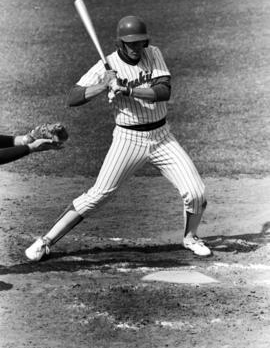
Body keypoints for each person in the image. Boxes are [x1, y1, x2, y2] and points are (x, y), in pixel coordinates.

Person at [25, 15, 211, 262]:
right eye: (131, 43)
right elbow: (73, 97)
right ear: (120, 43)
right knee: (98, 195)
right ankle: (45, 241)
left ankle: (190, 238)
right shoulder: (107, 65)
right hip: (128, 139)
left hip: (162, 137)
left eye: (140, 42)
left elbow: (164, 91)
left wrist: (128, 90)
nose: (137, 48)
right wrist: (103, 86)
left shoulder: (153, 54)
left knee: (196, 192)